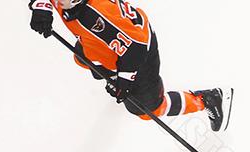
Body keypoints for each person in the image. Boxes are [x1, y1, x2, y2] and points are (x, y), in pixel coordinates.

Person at [28, 0, 232, 132]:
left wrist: (124, 82)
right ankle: (111, 71)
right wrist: (40, 6)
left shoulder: (94, 16)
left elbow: (136, 49)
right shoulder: (75, 6)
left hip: (140, 51)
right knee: (82, 57)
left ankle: (208, 99)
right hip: (108, 41)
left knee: (145, 108)